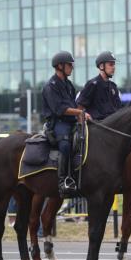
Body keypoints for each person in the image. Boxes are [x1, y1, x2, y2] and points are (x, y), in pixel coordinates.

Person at [42, 51, 91, 197]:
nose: (72, 68)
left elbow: (73, 105)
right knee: (64, 145)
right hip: (58, 123)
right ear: (59, 66)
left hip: (71, 122)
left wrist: (81, 117)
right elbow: (59, 109)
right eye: (69, 65)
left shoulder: (69, 85)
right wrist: (79, 113)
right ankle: (63, 181)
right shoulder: (50, 86)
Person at [76, 51, 121, 120]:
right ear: (101, 66)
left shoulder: (113, 87)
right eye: (111, 64)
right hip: (97, 125)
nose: (114, 67)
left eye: (114, 65)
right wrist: (83, 117)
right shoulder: (92, 84)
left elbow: (119, 109)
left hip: (113, 125)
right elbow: (80, 106)